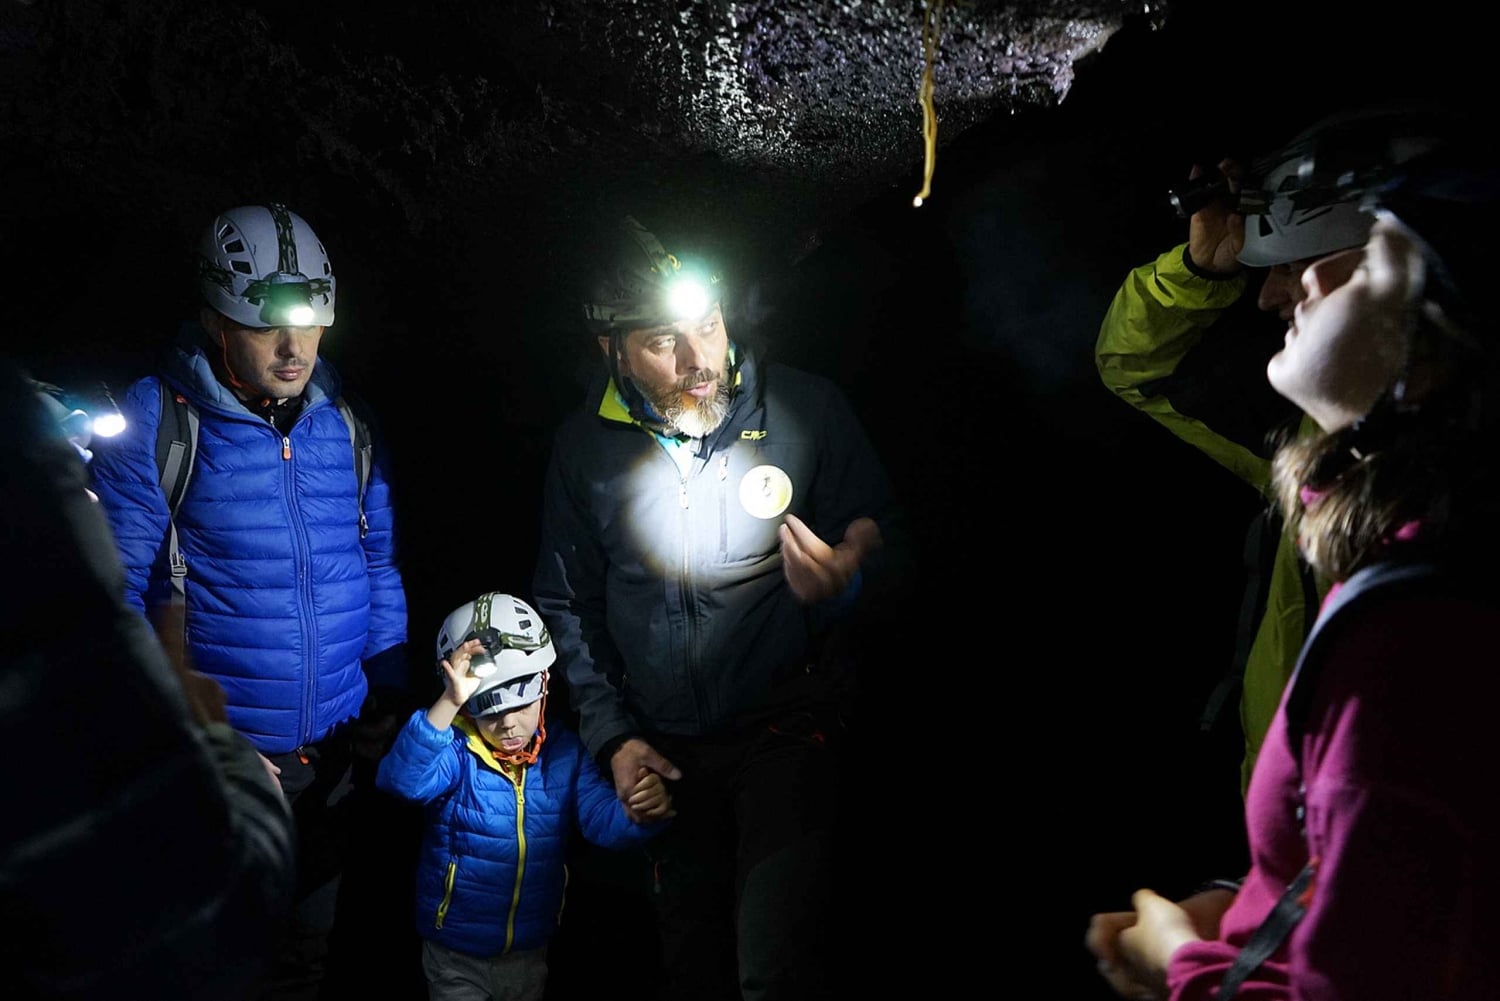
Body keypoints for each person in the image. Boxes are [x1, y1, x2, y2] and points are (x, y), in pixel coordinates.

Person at [1085, 141, 1500, 1000]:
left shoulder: (1417, 632)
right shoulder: (1340, 482)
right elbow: (1135, 364)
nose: (1280, 290)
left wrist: (1183, 963)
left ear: (1436, 326)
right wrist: (1257, 905)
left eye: (1349, 262)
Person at [531, 214, 905, 1000]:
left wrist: (848, 576)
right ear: (612, 349)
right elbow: (567, 601)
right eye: (664, 340)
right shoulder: (583, 448)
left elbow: (895, 544)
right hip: (667, 749)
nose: (700, 359)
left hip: (786, 725)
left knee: (773, 970)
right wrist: (614, 738)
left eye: (708, 323)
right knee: (691, 968)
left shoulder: (807, 409)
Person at [87, 202, 410, 1000]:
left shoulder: (349, 425)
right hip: (221, 766)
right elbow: (109, 601)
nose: (294, 348)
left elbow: (377, 560)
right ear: (214, 320)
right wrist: (196, 738)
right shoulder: (160, 423)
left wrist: (388, 688)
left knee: (305, 958)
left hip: (332, 760)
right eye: (266, 326)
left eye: (310, 323)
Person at [1094, 104, 1457, 792]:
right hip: (1291, 810)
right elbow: (1135, 368)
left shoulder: (1452, 508)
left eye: (1299, 263)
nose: (1269, 297)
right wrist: (1200, 273)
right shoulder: (1310, 444)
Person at [2, 359, 296, 1000]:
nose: (91, 491)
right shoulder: (56, 680)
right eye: (67, 478)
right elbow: (217, 913)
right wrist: (217, 746)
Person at [376, 591, 673, 1001]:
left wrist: (642, 810)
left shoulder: (564, 753)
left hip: (530, 952)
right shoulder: (455, 749)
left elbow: (602, 822)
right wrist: (450, 700)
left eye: (522, 704)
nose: (509, 724)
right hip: (455, 954)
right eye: (490, 710)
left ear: (544, 685)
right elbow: (402, 781)